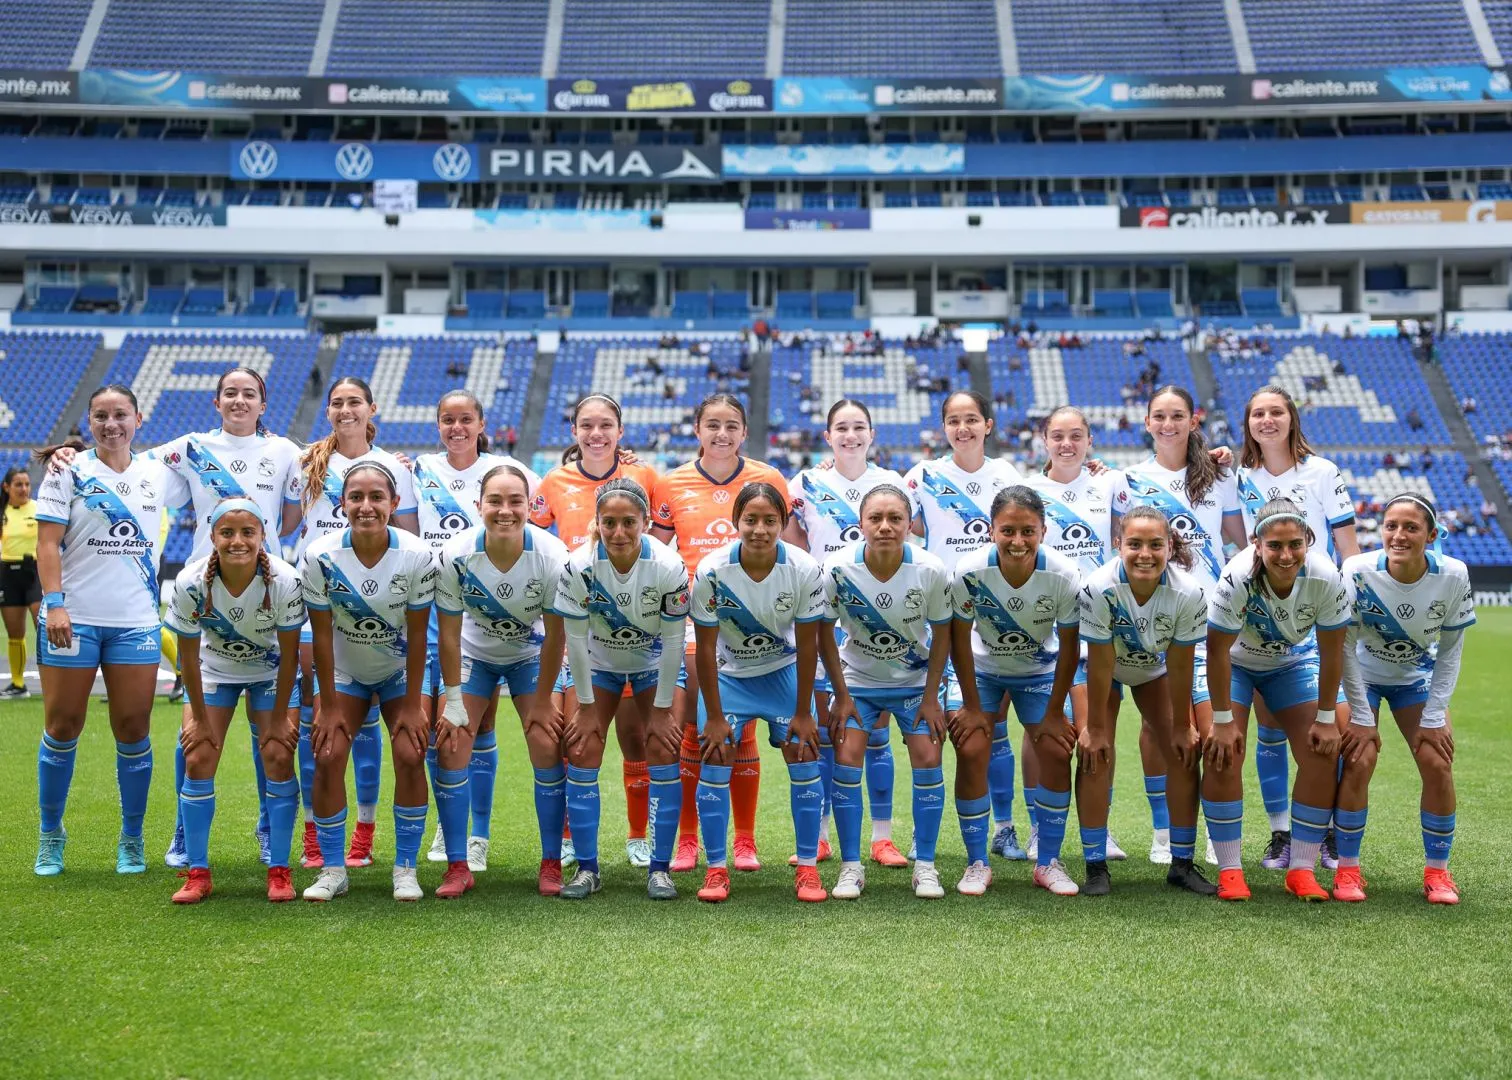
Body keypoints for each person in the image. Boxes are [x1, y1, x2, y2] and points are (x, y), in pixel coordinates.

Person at [32, 384, 189, 876]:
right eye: (101, 416)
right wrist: (55, 604)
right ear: (90, 421)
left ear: (139, 420)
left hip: (135, 622)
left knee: (134, 729)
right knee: (62, 726)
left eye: (121, 415)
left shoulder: (159, 472)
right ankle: (50, 835)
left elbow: (224, 466)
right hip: (73, 619)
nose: (111, 424)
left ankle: (132, 839)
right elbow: (47, 544)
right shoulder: (67, 470)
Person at [650, 393, 787, 874]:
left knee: (743, 730)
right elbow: (657, 554)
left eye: (731, 425)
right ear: (697, 429)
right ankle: (689, 839)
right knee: (697, 728)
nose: (722, 433)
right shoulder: (671, 483)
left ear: (744, 431)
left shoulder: (769, 479)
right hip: (695, 621)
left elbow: (788, 552)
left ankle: (745, 840)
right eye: (712, 424)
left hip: (756, 624)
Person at [286, 377, 417, 871]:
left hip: (377, 602)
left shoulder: (395, 467)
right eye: (337, 402)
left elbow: (408, 535)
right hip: (319, 596)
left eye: (354, 402)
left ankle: (364, 831)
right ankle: (314, 833)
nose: (346, 410)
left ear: (371, 408)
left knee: (367, 727)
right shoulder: (303, 462)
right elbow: (280, 520)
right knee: (319, 721)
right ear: (327, 410)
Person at [1114, 384, 1246, 866]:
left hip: (1210, 619)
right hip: (1151, 618)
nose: (1167, 424)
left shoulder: (1220, 476)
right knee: (1160, 727)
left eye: (1177, 416)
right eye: (1159, 416)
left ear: (1194, 420)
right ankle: (1164, 831)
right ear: (1146, 422)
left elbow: (1241, 542)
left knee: (1214, 729)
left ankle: (1212, 831)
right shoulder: (1126, 480)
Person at [412, 390, 541, 869]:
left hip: (491, 609)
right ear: (437, 424)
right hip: (437, 604)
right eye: (448, 419)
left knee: (480, 722)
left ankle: (477, 834)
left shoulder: (511, 469)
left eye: (466, 419)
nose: (457, 428)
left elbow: (542, 515)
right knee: (441, 725)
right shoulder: (417, 469)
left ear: (482, 423)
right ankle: (448, 827)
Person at [532, 393, 659, 868]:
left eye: (606, 425)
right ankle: (569, 838)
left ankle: (638, 836)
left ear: (620, 432)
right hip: (577, 629)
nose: (596, 433)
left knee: (635, 738)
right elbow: (533, 538)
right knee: (576, 738)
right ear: (574, 432)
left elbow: (661, 541)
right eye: (587, 425)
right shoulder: (554, 481)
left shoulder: (645, 477)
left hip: (635, 627)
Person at [1236, 384, 1360, 869]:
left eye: (1276, 412)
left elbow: (1348, 547)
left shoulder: (1322, 471)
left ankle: (1324, 831)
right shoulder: (1237, 475)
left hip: (1316, 613)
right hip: (1262, 618)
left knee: (1334, 729)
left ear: (1292, 418)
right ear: (1248, 424)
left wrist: (1349, 605)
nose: (1267, 420)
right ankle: (1281, 833)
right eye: (1258, 414)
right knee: (1269, 729)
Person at [783, 399, 911, 867]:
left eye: (859, 427)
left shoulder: (893, 482)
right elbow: (795, 544)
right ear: (827, 436)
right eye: (841, 427)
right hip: (823, 619)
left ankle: (882, 838)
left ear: (872, 434)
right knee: (825, 730)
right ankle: (819, 836)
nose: (850, 435)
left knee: (875, 733)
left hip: (876, 619)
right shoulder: (806, 484)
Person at [300, 462, 436, 902]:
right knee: (327, 754)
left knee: (411, 752)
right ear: (342, 504)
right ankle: (333, 869)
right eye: (356, 497)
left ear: (394, 503)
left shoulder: (416, 554)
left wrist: (412, 705)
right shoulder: (319, 555)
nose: (366, 506)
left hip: (400, 671)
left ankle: (406, 868)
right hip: (345, 673)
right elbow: (321, 635)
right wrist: (329, 706)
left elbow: (419, 635)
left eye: (377, 497)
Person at [434, 464, 570, 898]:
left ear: (530, 507)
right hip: (474, 656)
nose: (505, 510)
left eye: (515, 501)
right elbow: (448, 636)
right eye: (495, 501)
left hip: (531, 656)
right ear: (479, 506)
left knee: (547, 742)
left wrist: (544, 701)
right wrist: (454, 700)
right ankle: (458, 865)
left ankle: (551, 862)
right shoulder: (456, 554)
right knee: (451, 744)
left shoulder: (552, 555)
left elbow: (557, 636)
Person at [1204, 499, 1350, 902]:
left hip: (1290, 663)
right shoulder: (1237, 576)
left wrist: (1325, 717)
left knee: (1322, 752)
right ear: (1256, 544)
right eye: (1275, 546)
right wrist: (1221, 720)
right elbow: (1216, 651)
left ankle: (1301, 870)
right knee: (1223, 752)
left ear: (1308, 541)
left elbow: (1332, 651)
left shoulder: (1325, 576)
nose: (1286, 556)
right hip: (1235, 664)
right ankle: (1230, 871)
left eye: (1295, 544)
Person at [690, 483, 830, 902]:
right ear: (736, 521)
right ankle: (716, 870)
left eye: (770, 520)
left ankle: (807, 869)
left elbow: (809, 645)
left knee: (803, 753)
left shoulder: (804, 568)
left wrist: (804, 711)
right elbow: (705, 648)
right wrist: (715, 716)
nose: (759, 529)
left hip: (783, 674)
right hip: (729, 678)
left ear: (783, 523)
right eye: (750, 520)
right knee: (715, 755)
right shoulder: (712, 571)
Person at [905, 389, 1029, 861]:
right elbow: (894, 517)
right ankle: (924, 832)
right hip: (940, 618)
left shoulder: (1007, 475)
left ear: (988, 425)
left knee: (993, 728)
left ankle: (1004, 827)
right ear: (944, 427)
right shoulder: (923, 476)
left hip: (995, 615)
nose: (963, 428)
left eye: (972, 419)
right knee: (933, 729)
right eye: (954, 420)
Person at [163, 498, 304, 903]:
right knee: (197, 756)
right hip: (214, 672)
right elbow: (188, 658)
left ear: (263, 536)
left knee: (278, 754)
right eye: (227, 533)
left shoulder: (285, 580)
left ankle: (279, 870)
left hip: (270, 672)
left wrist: (279, 719)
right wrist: (199, 719)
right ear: (213, 537)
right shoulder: (191, 582)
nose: (237, 541)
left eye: (247, 532)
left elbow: (290, 656)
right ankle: (198, 872)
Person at [554, 478, 690, 900]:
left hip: (653, 662)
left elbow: (674, 641)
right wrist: (586, 706)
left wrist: (663, 710)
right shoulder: (578, 566)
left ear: (646, 523)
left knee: (664, 747)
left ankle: (660, 869)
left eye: (629, 522)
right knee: (582, 747)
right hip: (598, 665)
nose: (618, 532)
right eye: (608, 522)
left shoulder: (668, 565)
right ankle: (588, 869)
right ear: (596, 522)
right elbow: (575, 640)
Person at [1338, 494, 1475, 905]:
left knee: (1437, 762)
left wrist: (1434, 717)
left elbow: (1450, 652)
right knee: (1359, 758)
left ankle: (1438, 872)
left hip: (1415, 678)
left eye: (1411, 528)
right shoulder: (1357, 570)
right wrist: (1361, 716)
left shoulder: (1453, 574)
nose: (1398, 535)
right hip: (1361, 678)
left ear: (1431, 536)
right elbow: (1343, 647)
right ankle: (1347, 869)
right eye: (1391, 526)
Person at [819, 484, 954, 898]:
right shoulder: (837, 568)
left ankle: (926, 866)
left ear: (909, 525)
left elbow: (944, 634)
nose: (885, 527)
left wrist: (931, 697)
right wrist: (841, 695)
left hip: (914, 684)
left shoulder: (930, 569)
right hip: (858, 682)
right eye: (875, 518)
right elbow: (823, 633)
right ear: (859, 524)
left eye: (895, 518)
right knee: (846, 757)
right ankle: (850, 866)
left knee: (928, 756)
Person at [950, 487, 1083, 896]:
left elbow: (1070, 647)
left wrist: (1055, 712)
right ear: (991, 531)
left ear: (1043, 531)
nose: (1018, 541)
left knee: (1057, 749)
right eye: (1008, 530)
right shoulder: (970, 571)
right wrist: (972, 706)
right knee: (971, 747)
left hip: (1039, 672)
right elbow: (958, 640)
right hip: (982, 672)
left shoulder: (1063, 574)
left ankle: (1048, 862)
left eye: (1028, 531)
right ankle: (977, 863)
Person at [1024, 406, 1143, 863]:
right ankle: (1038, 828)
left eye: (1076, 435)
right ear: (1044, 441)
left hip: (1098, 626)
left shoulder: (1110, 484)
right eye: (1057, 436)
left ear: (1090, 441)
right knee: (1041, 730)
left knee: (1099, 727)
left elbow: (1129, 533)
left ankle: (1100, 826)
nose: (1067, 444)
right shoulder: (1030, 491)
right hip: (1044, 626)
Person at [1078, 506, 1212, 896]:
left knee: (1183, 750)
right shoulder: (1099, 586)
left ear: (1170, 546)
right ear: (1118, 545)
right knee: (1096, 751)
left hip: (1154, 668)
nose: (1145, 554)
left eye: (1155, 545)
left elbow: (1181, 662)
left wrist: (1182, 726)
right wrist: (1095, 728)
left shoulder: (1188, 592)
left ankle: (1182, 863)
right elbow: (1101, 662)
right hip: (1101, 668)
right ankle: (1095, 866)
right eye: (1134, 544)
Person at [0, 466, 40, 699]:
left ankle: (55, 682)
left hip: (35, 573)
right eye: (18, 484)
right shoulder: (2, 512)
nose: (24, 489)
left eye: (26, 484)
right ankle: (18, 684)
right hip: (8, 574)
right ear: (7, 487)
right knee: (15, 633)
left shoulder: (38, 509)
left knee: (43, 627)